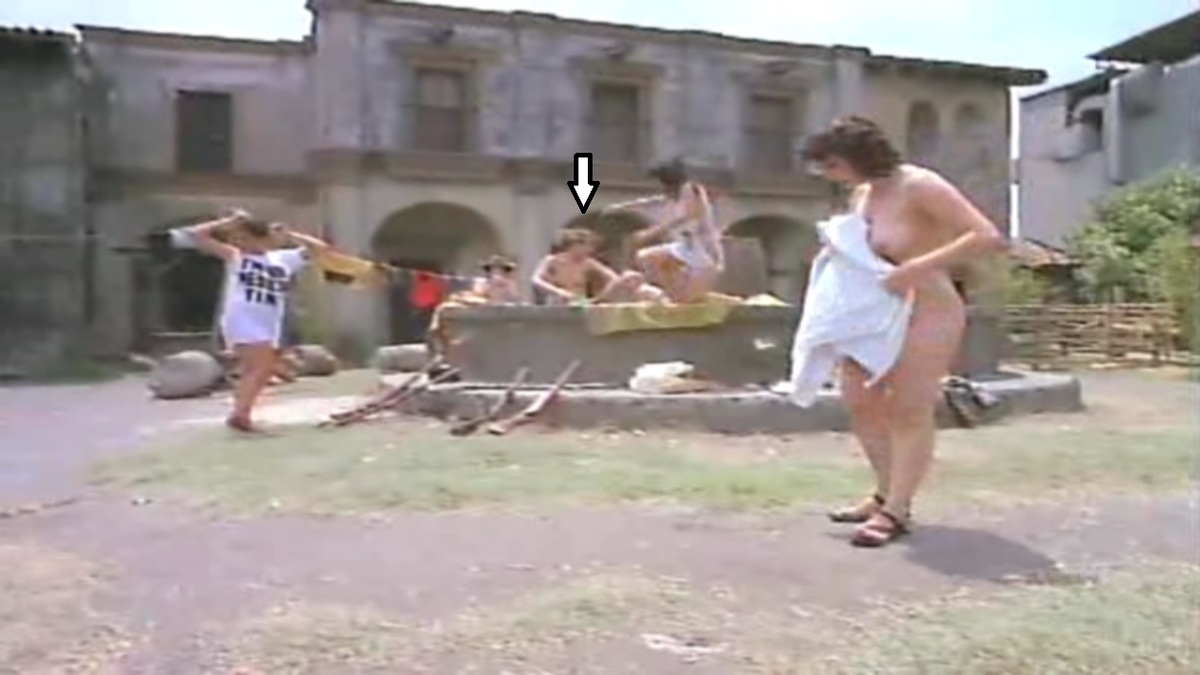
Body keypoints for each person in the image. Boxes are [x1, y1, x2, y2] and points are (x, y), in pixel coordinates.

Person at [800, 116, 1004, 547]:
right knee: (859, 398)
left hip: (928, 307)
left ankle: (896, 508)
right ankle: (883, 492)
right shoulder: (862, 194)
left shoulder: (921, 185)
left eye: (833, 165)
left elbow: (985, 235)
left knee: (910, 407)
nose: (829, 175)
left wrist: (917, 266)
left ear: (858, 156)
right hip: (873, 311)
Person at [188, 209, 329, 432]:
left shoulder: (283, 259)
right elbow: (198, 235)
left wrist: (291, 234)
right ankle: (240, 415)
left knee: (253, 370)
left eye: (245, 238)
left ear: (264, 238)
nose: (239, 242)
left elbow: (319, 248)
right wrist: (229, 221)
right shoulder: (236, 256)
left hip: (268, 321)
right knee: (261, 368)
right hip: (242, 316)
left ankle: (240, 412)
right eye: (237, 238)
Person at [603, 158, 724, 303]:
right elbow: (651, 201)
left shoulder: (690, 188)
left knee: (687, 300)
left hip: (703, 249)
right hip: (685, 247)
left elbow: (690, 214)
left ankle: (682, 291)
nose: (660, 189)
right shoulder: (675, 194)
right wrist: (622, 207)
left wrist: (653, 231)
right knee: (645, 257)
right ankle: (673, 289)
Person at [531, 228, 664, 305]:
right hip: (558, 302)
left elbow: (612, 277)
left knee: (630, 277)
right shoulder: (552, 260)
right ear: (575, 245)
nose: (590, 250)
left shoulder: (588, 262)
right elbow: (536, 280)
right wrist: (558, 291)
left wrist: (602, 296)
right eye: (587, 246)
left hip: (581, 302)